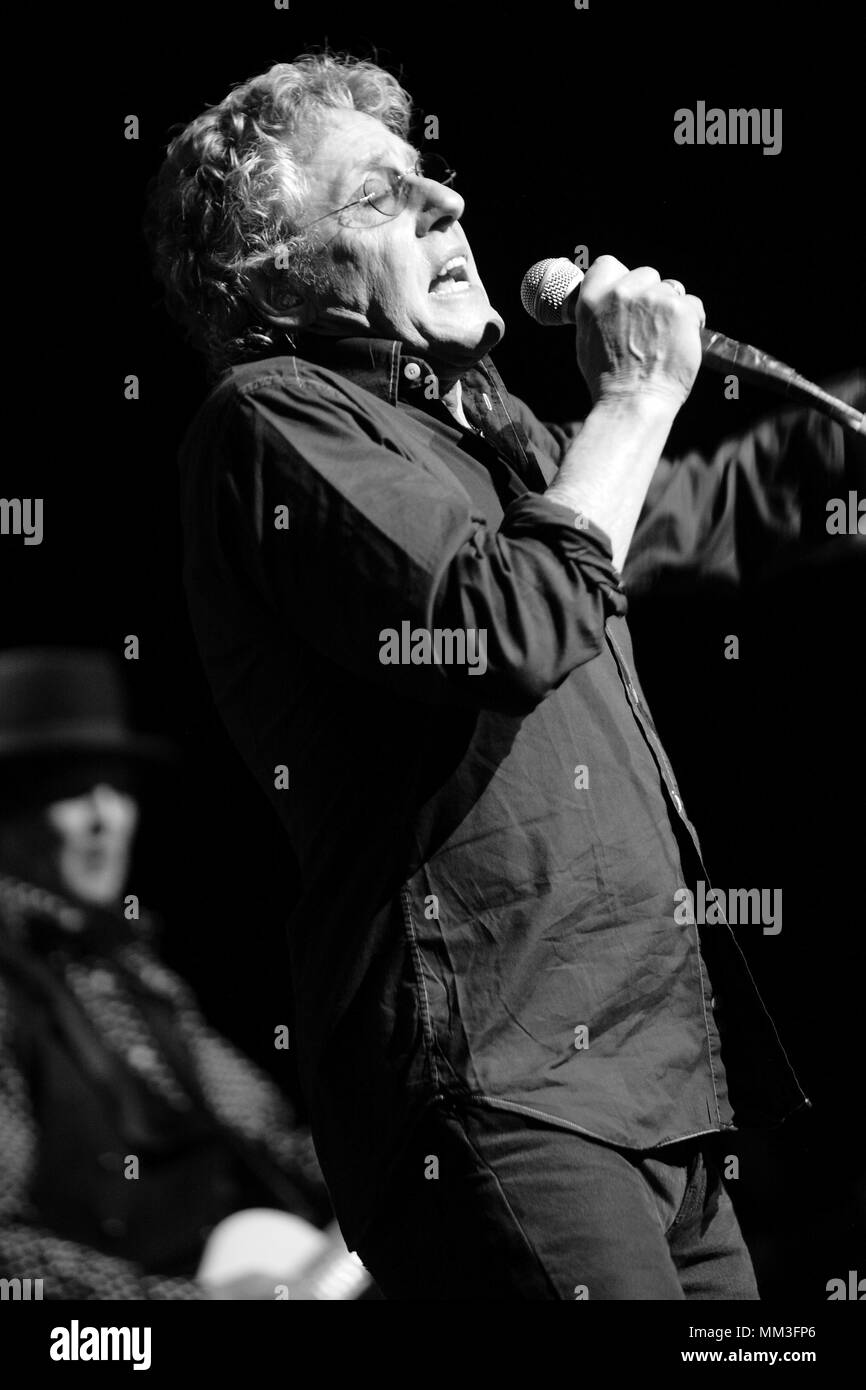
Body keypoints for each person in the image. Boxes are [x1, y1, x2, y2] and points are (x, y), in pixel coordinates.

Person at [147, 53, 863, 1299]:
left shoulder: (502, 441)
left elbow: (698, 514)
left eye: (435, 182)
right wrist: (635, 397)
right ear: (272, 270)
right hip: (500, 1090)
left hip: (660, 1096)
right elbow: (502, 622)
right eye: (381, 198)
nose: (449, 209)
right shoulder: (271, 420)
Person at [0, 647, 359, 1301]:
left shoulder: (139, 978)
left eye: (118, 788)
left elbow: (266, 1133)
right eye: (73, 789)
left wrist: (400, 1172)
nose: (106, 817)